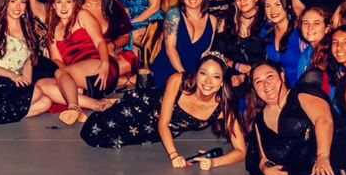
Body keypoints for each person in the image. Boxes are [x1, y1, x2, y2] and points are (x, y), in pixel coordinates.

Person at [82, 53, 246, 166]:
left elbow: (240, 151)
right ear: (196, 74)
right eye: (203, 73)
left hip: (154, 132)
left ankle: (112, 105)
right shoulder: (178, 80)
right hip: (143, 107)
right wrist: (174, 155)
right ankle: (110, 104)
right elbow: (164, 123)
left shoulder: (223, 108)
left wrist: (213, 162)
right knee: (91, 132)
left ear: (223, 82)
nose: (208, 81)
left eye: (216, 76)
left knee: (114, 141)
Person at [244, 60, 341, 175]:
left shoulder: (302, 95)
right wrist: (265, 169)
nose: (266, 84)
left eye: (270, 77)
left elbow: (324, 120)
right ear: (255, 89)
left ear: (282, 76)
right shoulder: (259, 119)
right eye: (259, 82)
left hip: (332, 164)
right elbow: (262, 157)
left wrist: (323, 156)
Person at [150, 0, 217, 91]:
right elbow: (170, 49)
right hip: (169, 70)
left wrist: (199, 78)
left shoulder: (212, 20)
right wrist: (184, 76)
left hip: (194, 75)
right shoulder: (173, 15)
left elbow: (204, 55)